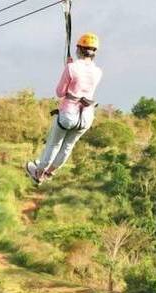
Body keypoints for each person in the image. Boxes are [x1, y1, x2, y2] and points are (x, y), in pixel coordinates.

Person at [26, 32, 102, 184]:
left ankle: (39, 173)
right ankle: (49, 173)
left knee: (54, 144)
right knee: (68, 146)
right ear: (94, 52)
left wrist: (68, 68)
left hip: (69, 113)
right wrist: (70, 67)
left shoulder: (71, 68)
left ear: (79, 49)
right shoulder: (98, 71)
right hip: (86, 116)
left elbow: (60, 92)